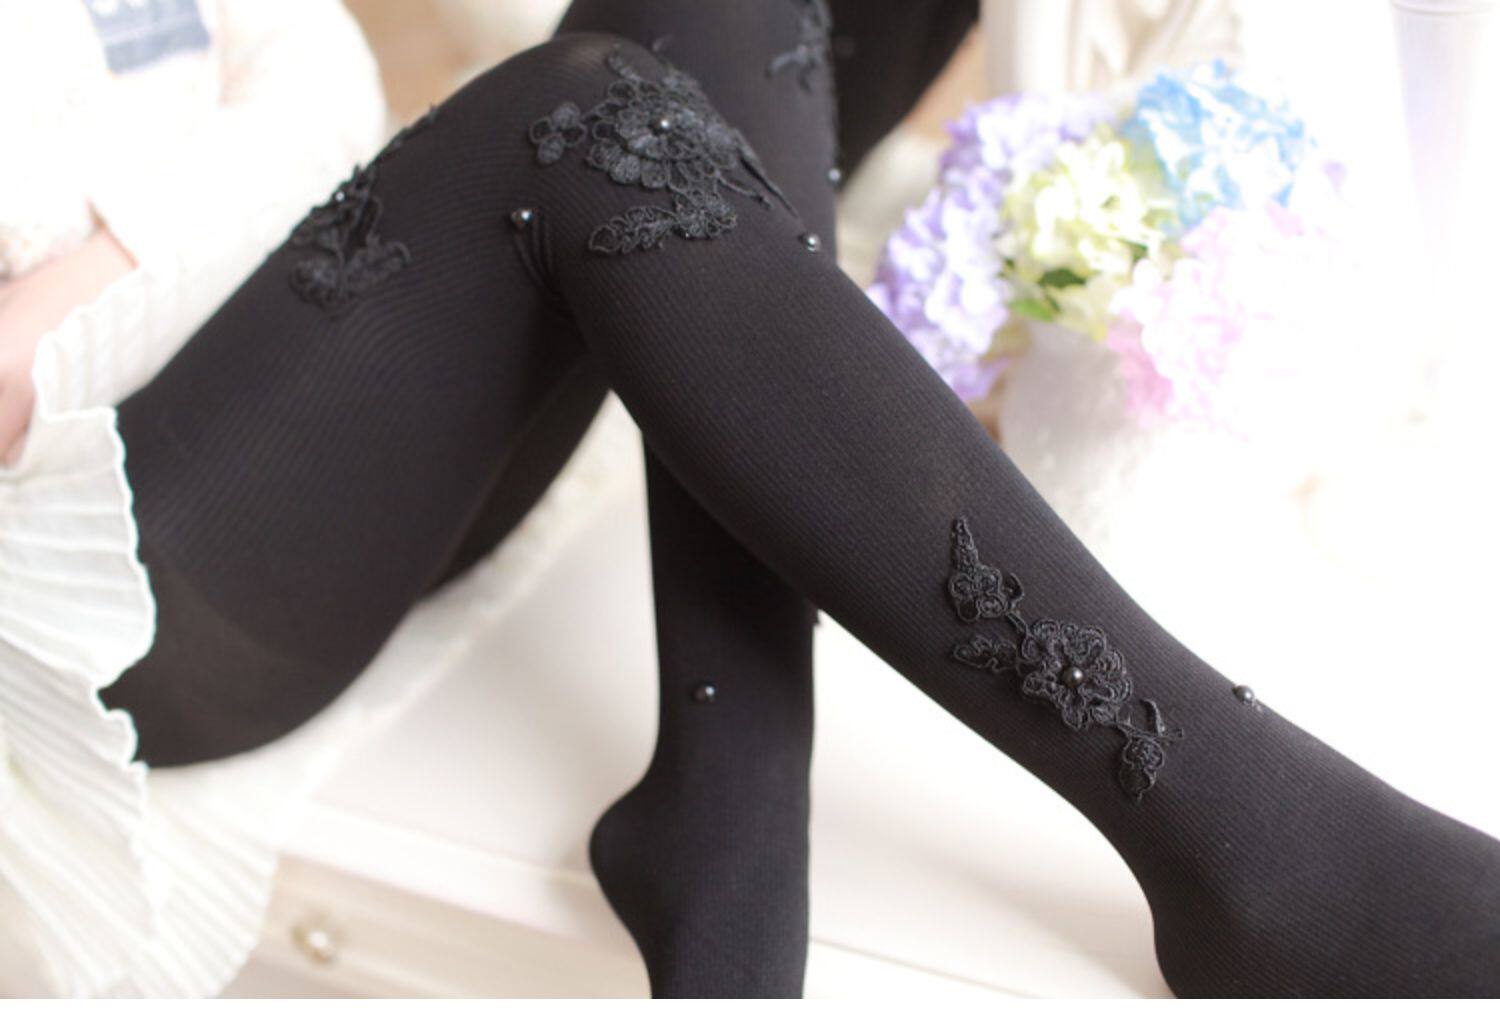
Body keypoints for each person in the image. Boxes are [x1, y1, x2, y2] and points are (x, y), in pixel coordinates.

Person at [2, 0, 1496, 1000]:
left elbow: (293, 52)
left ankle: (728, 799)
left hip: (328, 406)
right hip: (119, 584)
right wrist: (146, 231)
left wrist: (162, 212)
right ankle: (1247, 834)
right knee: (578, 119)